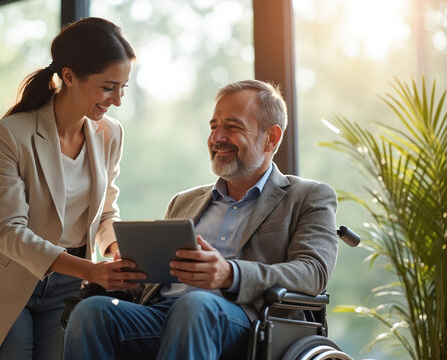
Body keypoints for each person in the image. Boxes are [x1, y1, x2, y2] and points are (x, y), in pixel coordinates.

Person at [63, 79, 339, 360]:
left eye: (232, 126)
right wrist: (131, 274)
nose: (217, 137)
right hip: (162, 314)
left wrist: (230, 274)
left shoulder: (308, 197)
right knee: (92, 311)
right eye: (213, 126)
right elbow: (153, 284)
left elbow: (312, 273)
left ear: (271, 138)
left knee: (195, 306)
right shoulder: (184, 201)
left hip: (246, 322)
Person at [0, 17, 147, 360]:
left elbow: (106, 211)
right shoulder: (9, 135)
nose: (117, 100)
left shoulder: (111, 134)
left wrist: (116, 250)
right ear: (69, 76)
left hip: (70, 285)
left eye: (123, 87)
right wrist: (90, 271)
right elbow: (7, 230)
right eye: (108, 87)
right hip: (12, 281)